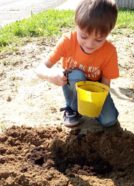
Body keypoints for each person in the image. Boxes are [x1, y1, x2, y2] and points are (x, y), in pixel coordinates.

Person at [36, 0, 119, 128]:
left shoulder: (109, 51)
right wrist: (50, 75)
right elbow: (40, 68)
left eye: (98, 39)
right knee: (76, 75)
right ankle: (73, 108)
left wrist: (95, 103)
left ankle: (88, 109)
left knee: (109, 120)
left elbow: (105, 84)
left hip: (94, 89)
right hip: (74, 82)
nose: (90, 44)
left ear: (108, 33)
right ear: (76, 25)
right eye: (84, 36)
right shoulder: (68, 41)